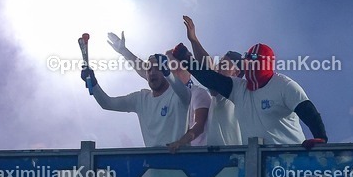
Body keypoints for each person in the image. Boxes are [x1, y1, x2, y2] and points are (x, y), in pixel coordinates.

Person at [174, 36, 327, 147]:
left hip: (290, 158)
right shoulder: (238, 89)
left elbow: (309, 112)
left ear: (266, 62)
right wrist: (186, 58)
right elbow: (210, 78)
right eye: (247, 58)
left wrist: (320, 138)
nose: (249, 62)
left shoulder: (284, 85)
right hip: (257, 161)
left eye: (254, 58)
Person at [81, 52, 191, 147]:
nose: (152, 72)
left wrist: (167, 73)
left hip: (181, 165)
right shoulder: (140, 99)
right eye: (149, 69)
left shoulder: (179, 94)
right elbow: (107, 103)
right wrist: (94, 83)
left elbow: (184, 93)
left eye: (158, 68)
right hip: (153, 166)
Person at [180, 17, 242, 146]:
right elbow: (210, 68)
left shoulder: (233, 93)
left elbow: (208, 71)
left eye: (224, 65)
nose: (218, 67)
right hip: (216, 161)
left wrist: (187, 55)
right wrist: (194, 40)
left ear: (236, 73)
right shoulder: (221, 94)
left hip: (231, 161)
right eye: (219, 64)